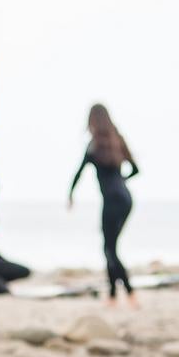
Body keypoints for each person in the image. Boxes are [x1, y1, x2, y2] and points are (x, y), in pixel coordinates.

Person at [67, 104, 141, 305]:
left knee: (109, 249)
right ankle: (114, 295)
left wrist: (70, 195)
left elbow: (79, 173)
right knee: (111, 248)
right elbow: (136, 169)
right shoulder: (118, 141)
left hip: (111, 201)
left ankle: (126, 293)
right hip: (126, 199)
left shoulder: (94, 146)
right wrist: (122, 182)